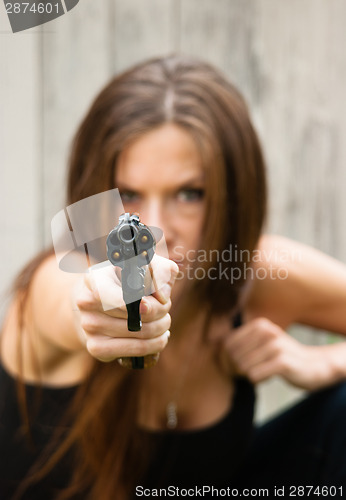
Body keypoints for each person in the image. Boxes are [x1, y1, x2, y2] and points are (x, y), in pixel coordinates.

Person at [1, 54, 346, 500]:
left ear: (233, 199)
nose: (155, 227)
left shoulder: (253, 272)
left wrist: (327, 363)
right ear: (94, 198)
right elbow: (71, 301)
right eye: (129, 193)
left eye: (189, 194)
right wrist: (98, 307)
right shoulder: (59, 279)